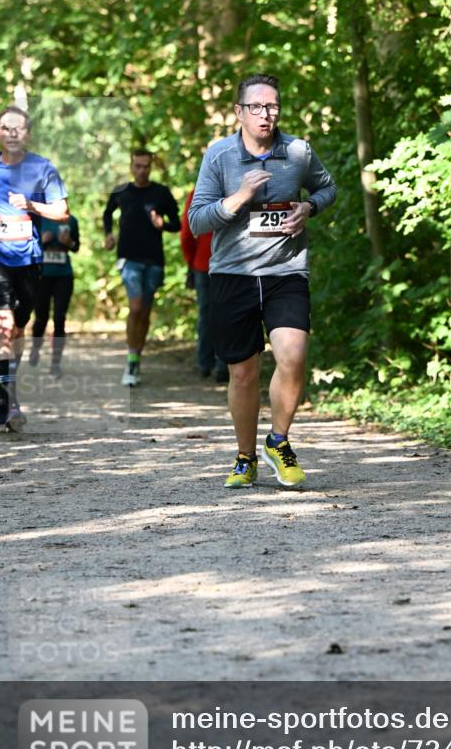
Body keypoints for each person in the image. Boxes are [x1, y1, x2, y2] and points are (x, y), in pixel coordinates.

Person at [188, 73, 336, 489]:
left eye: (272, 106)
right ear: (239, 112)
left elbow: (328, 188)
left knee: (293, 355)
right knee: (243, 373)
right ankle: (245, 457)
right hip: (233, 274)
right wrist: (237, 198)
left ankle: (278, 441)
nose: (266, 114)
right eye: (256, 107)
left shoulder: (298, 151)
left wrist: (308, 208)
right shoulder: (219, 156)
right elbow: (197, 220)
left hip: (285, 271)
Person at [0, 105, 69, 431]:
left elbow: (62, 211)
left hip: (29, 259)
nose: (12, 133)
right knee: (4, 323)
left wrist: (31, 205)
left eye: (19, 128)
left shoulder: (42, 168)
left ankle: (8, 384)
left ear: (27, 134)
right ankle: (9, 398)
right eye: (6, 127)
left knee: (18, 327)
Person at [103, 149, 180, 387]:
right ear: (131, 166)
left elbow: (177, 224)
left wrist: (162, 224)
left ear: (151, 167)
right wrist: (108, 234)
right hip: (128, 258)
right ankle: (130, 360)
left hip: (154, 260)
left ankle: (136, 359)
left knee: (145, 312)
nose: (142, 170)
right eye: (137, 166)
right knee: (135, 307)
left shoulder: (161, 193)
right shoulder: (121, 191)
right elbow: (107, 213)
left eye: (146, 166)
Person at [180, 188, 229, 383]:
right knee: (227, 313)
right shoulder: (238, 189)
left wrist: (191, 262)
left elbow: (186, 234)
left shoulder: (197, 193)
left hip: (203, 262)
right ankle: (223, 365)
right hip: (232, 263)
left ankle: (204, 363)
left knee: (205, 313)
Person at [29, 214, 80, 376]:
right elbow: (27, 247)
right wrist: (41, 242)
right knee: (41, 317)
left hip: (64, 276)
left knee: (59, 318)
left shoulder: (71, 221)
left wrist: (69, 242)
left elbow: (76, 247)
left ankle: (55, 363)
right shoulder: (38, 219)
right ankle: (36, 347)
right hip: (42, 276)